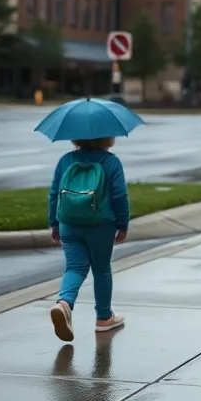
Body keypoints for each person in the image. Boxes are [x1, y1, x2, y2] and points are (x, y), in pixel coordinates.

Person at [47, 137, 129, 342]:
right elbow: (119, 196)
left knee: (74, 267)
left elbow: (54, 193)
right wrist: (123, 224)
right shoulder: (110, 162)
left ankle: (64, 304)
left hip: (68, 222)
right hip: (101, 223)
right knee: (101, 269)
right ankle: (103, 318)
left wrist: (54, 223)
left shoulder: (66, 160)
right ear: (107, 137)